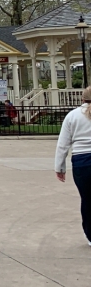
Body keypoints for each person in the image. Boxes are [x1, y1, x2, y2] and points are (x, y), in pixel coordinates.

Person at [54, 86, 91, 247]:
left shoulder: (73, 116)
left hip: (81, 161)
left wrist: (59, 167)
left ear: (82, 98)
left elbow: (63, 144)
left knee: (87, 199)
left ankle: (90, 234)